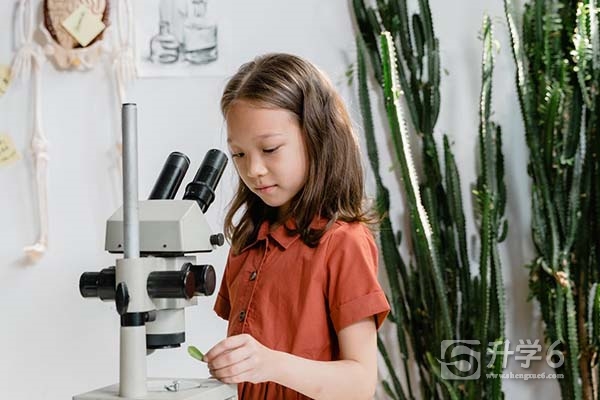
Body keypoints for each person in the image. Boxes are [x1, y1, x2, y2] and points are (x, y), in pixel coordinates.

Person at [204, 53, 390, 400]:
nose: (253, 169)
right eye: (239, 154)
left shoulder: (344, 243)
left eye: (270, 149)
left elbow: (361, 383)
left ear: (317, 137)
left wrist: (268, 363)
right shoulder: (248, 240)